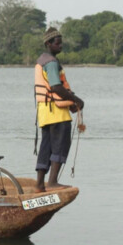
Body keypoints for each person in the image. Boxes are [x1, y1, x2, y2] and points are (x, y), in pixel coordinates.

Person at [33, 27, 85, 192]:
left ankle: (40, 184)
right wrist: (76, 100)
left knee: (46, 147)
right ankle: (53, 182)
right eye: (58, 43)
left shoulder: (41, 60)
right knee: (59, 146)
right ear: (48, 43)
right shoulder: (52, 63)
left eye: (61, 42)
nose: (61, 45)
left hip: (45, 112)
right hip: (57, 113)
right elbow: (56, 87)